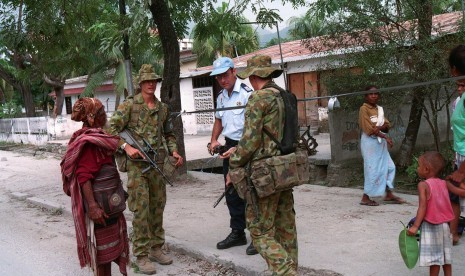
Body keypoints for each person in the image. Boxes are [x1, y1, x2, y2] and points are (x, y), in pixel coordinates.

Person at [108, 64, 183, 275]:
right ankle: (141, 255)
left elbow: (168, 135)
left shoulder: (162, 109)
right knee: (141, 210)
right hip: (137, 168)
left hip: (157, 165)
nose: (151, 84)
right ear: (140, 83)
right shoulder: (129, 107)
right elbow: (110, 130)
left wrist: (174, 151)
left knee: (157, 207)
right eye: (147, 81)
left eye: (154, 81)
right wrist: (126, 147)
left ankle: (156, 248)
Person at [229, 55, 298, 275]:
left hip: (265, 174)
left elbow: (249, 142)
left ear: (254, 75)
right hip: (286, 168)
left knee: (259, 231)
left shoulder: (258, 98)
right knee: (286, 226)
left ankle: (286, 271)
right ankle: (289, 267)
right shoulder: (286, 96)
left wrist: (234, 164)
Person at [61, 97, 129, 276]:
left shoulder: (99, 137)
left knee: (108, 257)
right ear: (92, 117)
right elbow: (84, 175)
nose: (105, 115)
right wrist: (92, 206)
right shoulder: (89, 142)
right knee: (102, 261)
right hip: (100, 209)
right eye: (101, 113)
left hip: (109, 205)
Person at [208, 56, 257, 255]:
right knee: (232, 191)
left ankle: (258, 235)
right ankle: (238, 232)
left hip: (247, 146)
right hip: (229, 146)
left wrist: (241, 148)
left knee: (251, 191)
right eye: (218, 77)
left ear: (234, 72)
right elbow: (219, 120)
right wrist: (213, 140)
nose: (222, 79)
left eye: (225, 75)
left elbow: (254, 127)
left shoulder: (247, 94)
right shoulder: (221, 97)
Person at [407, 151, 454, 276]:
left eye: (419, 165)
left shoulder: (423, 185)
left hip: (431, 226)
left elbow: (422, 207)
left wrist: (415, 226)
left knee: (434, 258)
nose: (417, 168)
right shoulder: (444, 183)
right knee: (445, 257)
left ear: (426, 169)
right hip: (445, 225)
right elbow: (458, 193)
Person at [358, 86, 404, 206]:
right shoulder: (364, 109)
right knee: (372, 169)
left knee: (390, 167)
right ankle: (365, 197)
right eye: (370, 94)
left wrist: (379, 128)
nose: (374, 96)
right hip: (370, 143)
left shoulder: (379, 109)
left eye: (376, 93)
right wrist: (384, 136)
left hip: (380, 143)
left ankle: (388, 193)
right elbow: (368, 129)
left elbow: (387, 125)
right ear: (366, 96)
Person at [447, 44, 465, 245]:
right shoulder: (460, 99)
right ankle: (453, 233)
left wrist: (461, 171)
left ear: (454, 69)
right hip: (460, 156)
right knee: (454, 197)